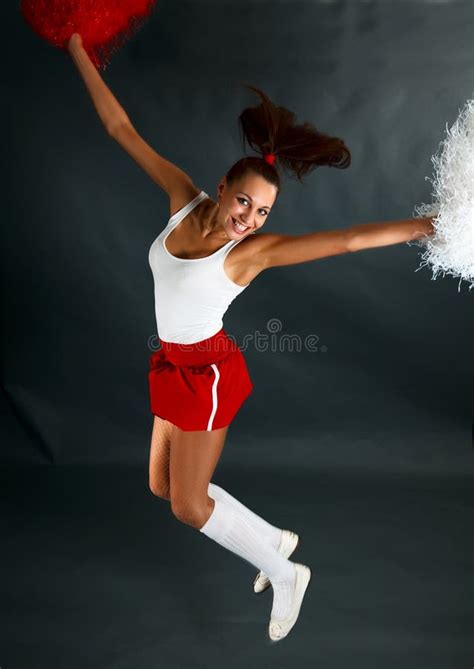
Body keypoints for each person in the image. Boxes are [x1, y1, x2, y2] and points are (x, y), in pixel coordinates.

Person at [67, 33, 435, 642]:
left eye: (263, 213)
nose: (250, 219)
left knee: (188, 505)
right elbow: (119, 127)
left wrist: (427, 227)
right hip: (171, 363)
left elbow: (345, 240)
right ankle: (272, 539)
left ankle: (284, 570)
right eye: (245, 202)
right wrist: (75, 45)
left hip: (207, 375)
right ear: (223, 186)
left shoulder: (250, 255)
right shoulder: (184, 200)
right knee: (160, 485)